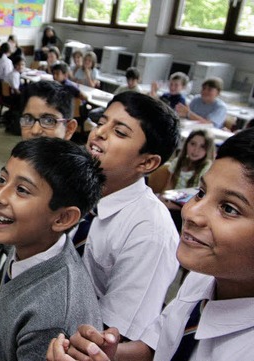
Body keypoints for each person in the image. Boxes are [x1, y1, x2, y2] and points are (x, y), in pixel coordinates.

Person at [47, 128, 254, 361]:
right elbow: (160, 346)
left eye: (229, 208)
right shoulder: (205, 277)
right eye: (201, 193)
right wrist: (107, 355)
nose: (191, 212)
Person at [0, 137, 106, 361]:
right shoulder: (29, 243)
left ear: (63, 218)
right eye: (2, 179)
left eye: (21, 190)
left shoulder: (51, 323)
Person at [73, 92, 181, 343]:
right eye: (101, 123)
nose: (98, 133)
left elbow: (114, 334)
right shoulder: (81, 186)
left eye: (120, 132)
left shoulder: (150, 232)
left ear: (147, 162)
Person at [0, 80, 79, 321]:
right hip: (11, 271)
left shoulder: (77, 183)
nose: (36, 129)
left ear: (69, 128)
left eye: (49, 120)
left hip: (48, 290)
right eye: (28, 119)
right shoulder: (10, 170)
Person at [160, 129, 215, 230]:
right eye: (193, 144)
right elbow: (169, 186)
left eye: (202, 146)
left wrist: (173, 206)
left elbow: (198, 198)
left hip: (190, 208)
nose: (195, 150)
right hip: (172, 202)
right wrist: (163, 200)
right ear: (186, 144)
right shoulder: (178, 162)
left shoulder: (206, 168)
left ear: (208, 149)